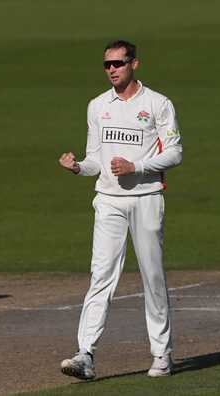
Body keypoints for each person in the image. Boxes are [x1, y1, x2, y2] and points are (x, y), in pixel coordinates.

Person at [58, 40, 183, 379]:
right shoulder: (98, 106)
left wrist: (137, 167)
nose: (111, 69)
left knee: (152, 277)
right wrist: (77, 167)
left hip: (146, 197)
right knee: (101, 275)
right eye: (106, 65)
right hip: (109, 200)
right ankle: (85, 354)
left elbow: (175, 153)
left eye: (118, 63)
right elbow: (95, 159)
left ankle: (161, 354)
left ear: (134, 64)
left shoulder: (157, 104)